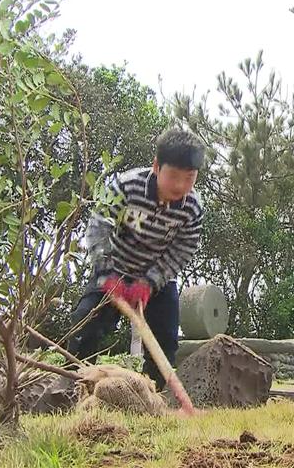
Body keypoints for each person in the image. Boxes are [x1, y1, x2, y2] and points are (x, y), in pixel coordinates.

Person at [68, 127, 206, 391]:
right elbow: (99, 227)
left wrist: (151, 281)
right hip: (113, 272)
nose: (180, 186)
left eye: (189, 178)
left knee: (165, 341)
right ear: (156, 166)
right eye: (173, 176)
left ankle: (149, 397)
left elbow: (182, 249)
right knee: (85, 326)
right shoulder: (125, 186)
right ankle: (75, 389)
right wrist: (106, 273)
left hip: (157, 279)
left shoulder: (193, 208)